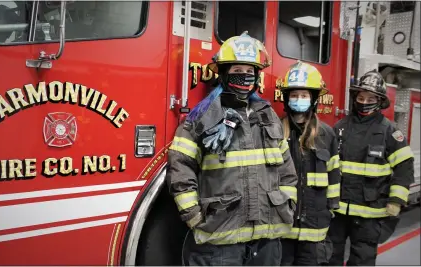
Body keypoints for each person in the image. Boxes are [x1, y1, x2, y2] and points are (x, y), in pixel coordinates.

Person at [165, 32, 299, 266]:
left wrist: (287, 203)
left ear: (257, 75)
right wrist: (194, 216)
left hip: (266, 240)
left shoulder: (268, 117)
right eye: (238, 72)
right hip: (220, 241)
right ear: (224, 74)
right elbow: (180, 169)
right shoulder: (202, 118)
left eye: (249, 72)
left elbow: (287, 170)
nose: (244, 78)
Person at [327, 70, 415, 266]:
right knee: (329, 257)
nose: (365, 102)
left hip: (370, 212)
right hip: (338, 210)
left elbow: (404, 167)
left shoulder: (390, 131)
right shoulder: (340, 127)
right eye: (361, 97)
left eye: (371, 98)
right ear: (355, 98)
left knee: (362, 260)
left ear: (380, 101)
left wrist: (396, 201)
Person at [278, 62, 341, 266]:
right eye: (294, 95)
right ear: (287, 98)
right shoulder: (275, 131)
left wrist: (330, 210)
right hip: (282, 225)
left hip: (314, 227)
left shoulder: (326, 135)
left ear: (313, 99)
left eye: (304, 95)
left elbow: (333, 175)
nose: (299, 100)